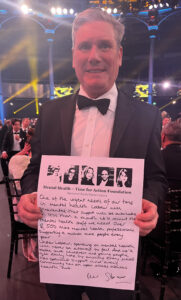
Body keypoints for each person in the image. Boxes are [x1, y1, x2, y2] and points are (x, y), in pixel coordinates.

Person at [18, 8, 167, 300]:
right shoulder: (49, 113)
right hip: (61, 255)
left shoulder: (147, 116)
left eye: (105, 46)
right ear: (74, 56)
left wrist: (151, 201)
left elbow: (156, 178)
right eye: (84, 46)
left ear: (119, 55)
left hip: (115, 258)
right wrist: (29, 195)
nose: (94, 56)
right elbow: (34, 171)